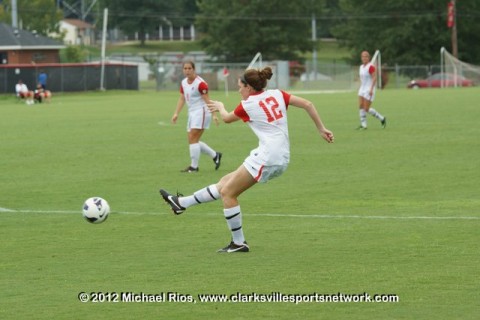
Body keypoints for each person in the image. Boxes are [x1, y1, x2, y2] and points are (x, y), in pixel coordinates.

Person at [160, 66, 334, 253]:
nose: (238, 90)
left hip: (269, 156)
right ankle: (182, 203)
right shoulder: (277, 94)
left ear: (249, 87)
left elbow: (226, 118)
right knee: (225, 182)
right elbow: (308, 104)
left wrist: (220, 107)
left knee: (228, 193)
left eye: (240, 87)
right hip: (277, 154)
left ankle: (239, 243)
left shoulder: (249, 104)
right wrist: (321, 129)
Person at [171, 61, 222, 172]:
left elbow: (208, 100)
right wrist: (176, 113)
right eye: (185, 68)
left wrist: (214, 114)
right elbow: (182, 98)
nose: (187, 70)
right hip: (192, 113)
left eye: (189, 68)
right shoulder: (184, 82)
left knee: (193, 139)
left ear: (194, 69)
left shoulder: (200, 83)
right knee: (192, 139)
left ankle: (194, 167)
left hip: (202, 112)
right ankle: (215, 155)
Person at [357, 51, 386, 130]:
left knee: (366, 108)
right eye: (363, 56)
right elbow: (362, 78)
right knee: (360, 106)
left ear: (368, 58)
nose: (364, 58)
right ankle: (363, 125)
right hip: (362, 89)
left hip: (369, 89)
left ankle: (382, 118)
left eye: (366, 56)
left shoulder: (371, 66)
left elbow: (374, 78)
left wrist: (371, 89)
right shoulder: (361, 67)